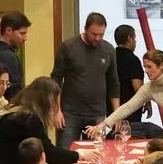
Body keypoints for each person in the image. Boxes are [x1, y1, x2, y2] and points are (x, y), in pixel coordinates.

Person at [49, 10, 119, 138]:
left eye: (101, 35)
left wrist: (117, 114)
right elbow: (56, 81)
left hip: (97, 113)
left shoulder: (108, 50)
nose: (97, 38)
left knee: (96, 154)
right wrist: (56, 110)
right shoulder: (68, 47)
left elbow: (113, 83)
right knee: (66, 153)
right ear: (85, 29)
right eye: (94, 34)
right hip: (70, 113)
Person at [100, 50, 163, 139]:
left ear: (161, 65)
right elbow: (128, 107)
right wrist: (103, 124)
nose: (146, 71)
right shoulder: (149, 88)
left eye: (149, 67)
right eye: (144, 67)